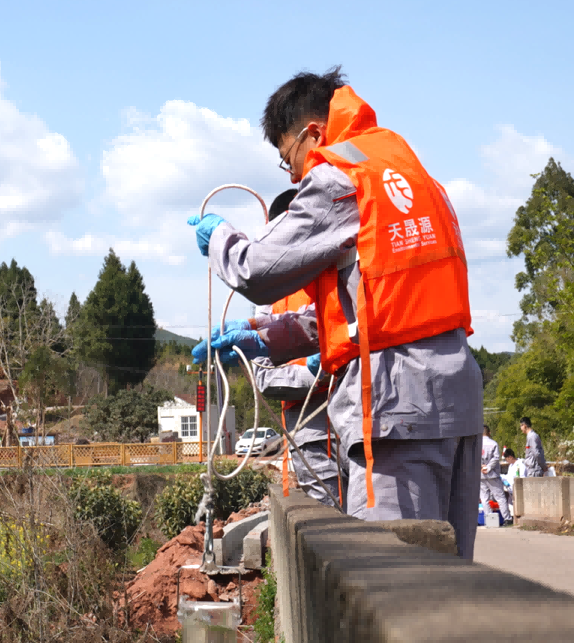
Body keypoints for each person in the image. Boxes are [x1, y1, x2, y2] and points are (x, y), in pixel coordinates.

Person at [188, 68, 484, 560]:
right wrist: (266, 337)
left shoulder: (339, 175)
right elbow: (378, 305)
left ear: (313, 134)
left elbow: (256, 270)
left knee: (394, 579)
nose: (296, 178)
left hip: (395, 401)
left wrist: (220, 237)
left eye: (289, 160)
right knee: (449, 576)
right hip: (455, 391)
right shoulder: (409, 173)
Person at [250, 189, 345, 508]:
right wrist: (314, 376)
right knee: (328, 526)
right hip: (310, 435)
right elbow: (264, 378)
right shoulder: (268, 297)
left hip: (357, 424)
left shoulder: (341, 270)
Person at [479, 426, 510, 523]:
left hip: (481, 475)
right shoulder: (493, 444)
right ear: (489, 432)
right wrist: (488, 468)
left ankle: (489, 520)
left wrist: (481, 467)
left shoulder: (476, 444)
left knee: (484, 498)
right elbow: (496, 458)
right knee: (500, 497)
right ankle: (507, 518)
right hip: (492, 474)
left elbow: (474, 457)